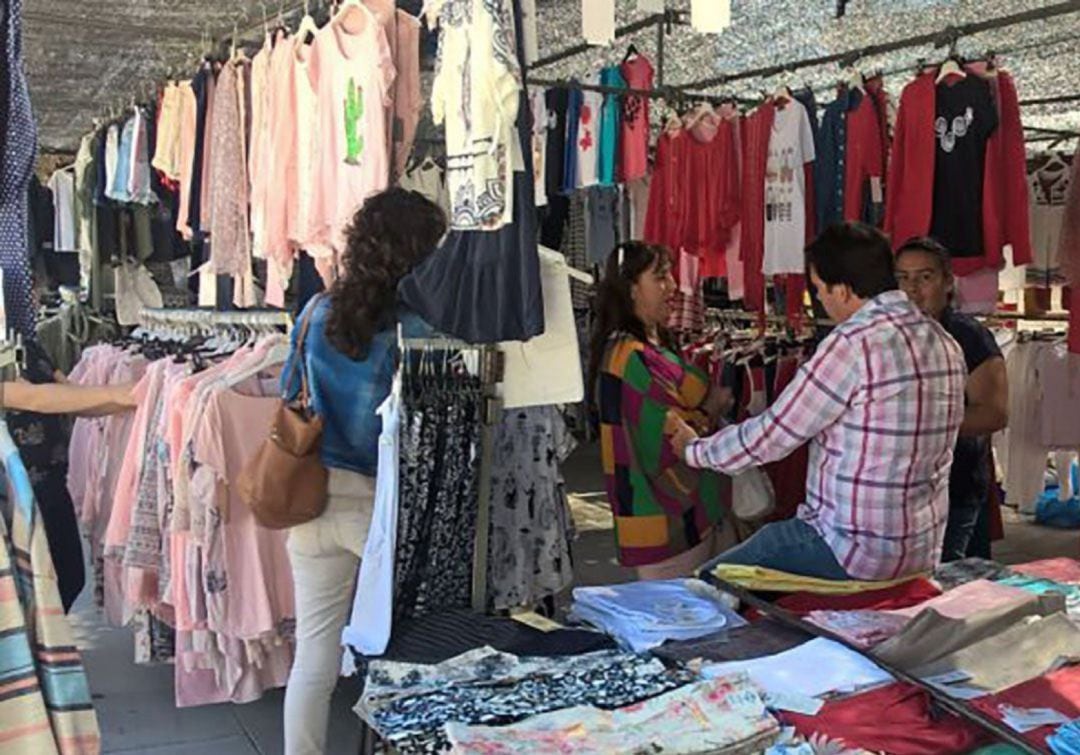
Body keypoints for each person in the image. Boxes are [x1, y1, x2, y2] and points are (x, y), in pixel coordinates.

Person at [670, 223, 967, 582]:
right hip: (920, 549)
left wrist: (695, 450)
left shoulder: (854, 343)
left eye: (820, 289)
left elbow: (773, 435)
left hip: (850, 549)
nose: (821, 301)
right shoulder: (944, 341)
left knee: (707, 586)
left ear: (842, 290)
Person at [280, 188, 446, 755]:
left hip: (311, 498)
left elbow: (288, 395)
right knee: (398, 657)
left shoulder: (315, 313)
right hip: (381, 510)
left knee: (314, 656)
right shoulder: (419, 329)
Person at [589, 241, 735, 582]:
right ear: (631, 289)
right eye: (660, 278)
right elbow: (666, 438)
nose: (671, 286)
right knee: (682, 622)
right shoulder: (630, 357)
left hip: (682, 518)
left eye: (669, 276)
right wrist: (710, 411)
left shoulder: (646, 346)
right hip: (668, 521)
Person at [1, 340, 136, 612]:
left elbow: (69, 396)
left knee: (68, 574)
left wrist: (133, 399)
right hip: (13, 494)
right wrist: (126, 394)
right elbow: (33, 398)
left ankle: (39, 645)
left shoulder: (29, 346)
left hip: (50, 482)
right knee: (28, 582)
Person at [896, 237, 1008, 561]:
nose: (912, 289)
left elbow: (994, 414)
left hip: (953, 490)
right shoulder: (889, 335)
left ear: (947, 282)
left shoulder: (968, 337)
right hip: (898, 494)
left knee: (944, 590)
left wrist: (914, 424)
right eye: (902, 278)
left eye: (924, 277)